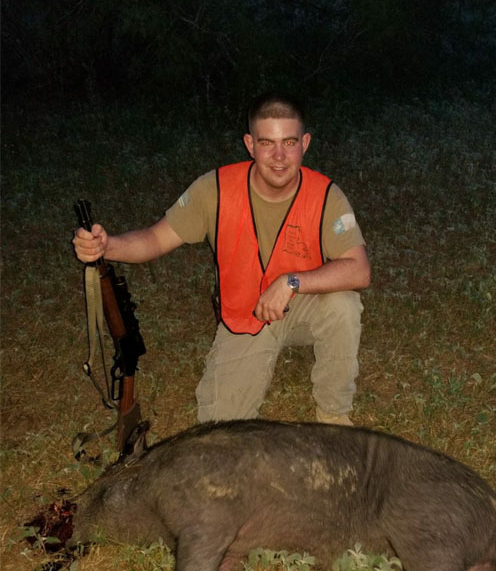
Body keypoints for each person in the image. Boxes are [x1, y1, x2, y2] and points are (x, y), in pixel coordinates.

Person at [72, 92, 370, 425]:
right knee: (220, 430)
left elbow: (358, 270)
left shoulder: (326, 194)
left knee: (343, 303)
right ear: (249, 144)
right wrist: (107, 246)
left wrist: (291, 281)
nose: (279, 156)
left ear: (305, 143)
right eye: (266, 143)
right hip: (244, 314)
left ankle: (333, 415)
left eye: (289, 142)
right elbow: (156, 238)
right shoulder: (214, 188)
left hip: (300, 306)